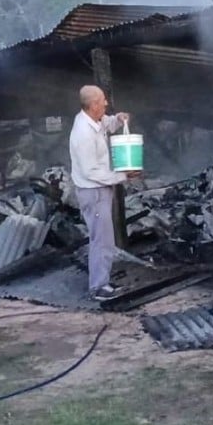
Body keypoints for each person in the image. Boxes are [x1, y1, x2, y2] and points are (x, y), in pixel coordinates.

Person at [69, 85, 139, 301]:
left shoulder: (92, 121)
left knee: (104, 238)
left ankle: (103, 282)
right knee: (101, 240)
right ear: (93, 105)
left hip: (99, 190)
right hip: (94, 191)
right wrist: (123, 176)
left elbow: (106, 124)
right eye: (103, 101)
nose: (106, 104)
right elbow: (92, 172)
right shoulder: (83, 134)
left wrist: (117, 119)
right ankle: (98, 287)